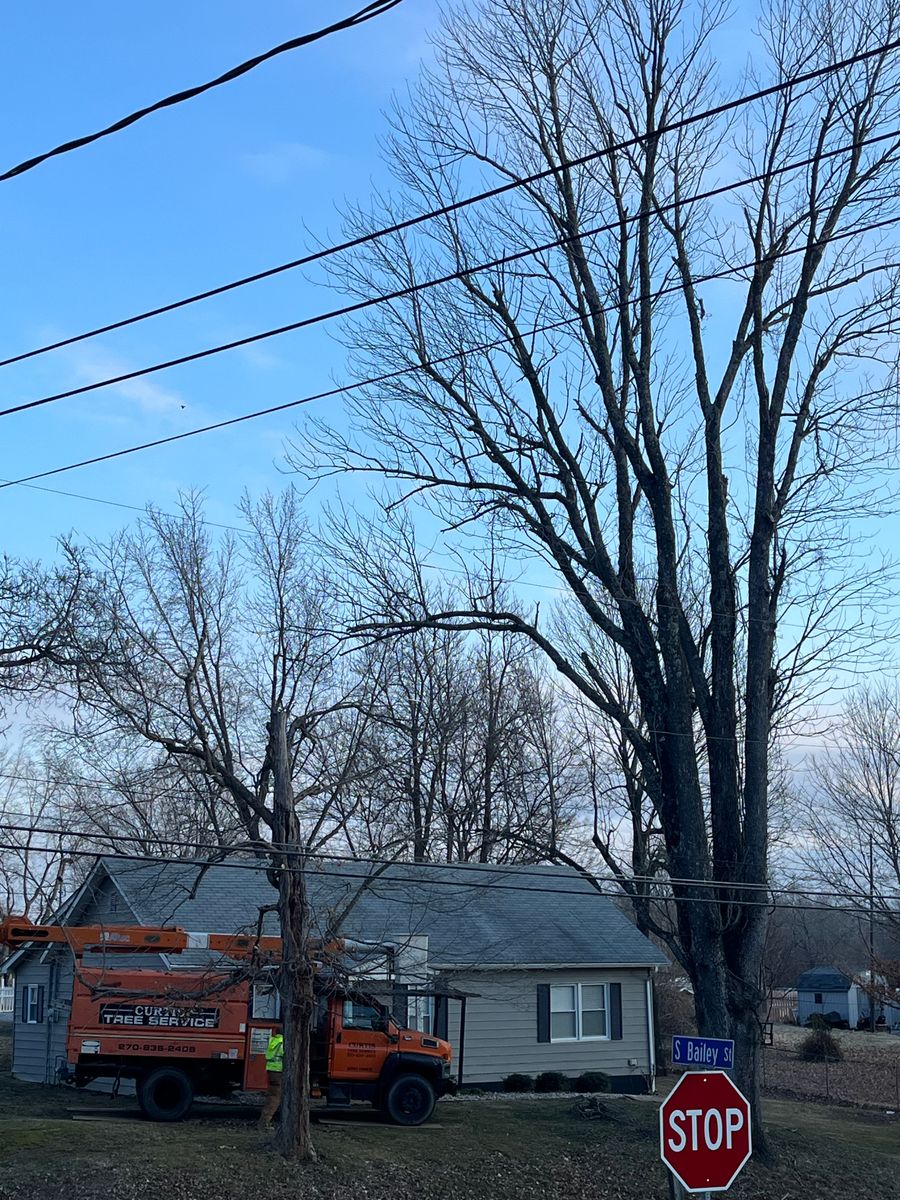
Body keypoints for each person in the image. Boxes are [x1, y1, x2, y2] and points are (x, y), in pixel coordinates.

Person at [259, 1029, 284, 1129]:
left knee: (272, 1095)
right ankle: (264, 1123)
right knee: (275, 1097)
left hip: (271, 1071)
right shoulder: (283, 1043)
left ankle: (264, 1121)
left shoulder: (273, 1041)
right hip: (279, 1072)